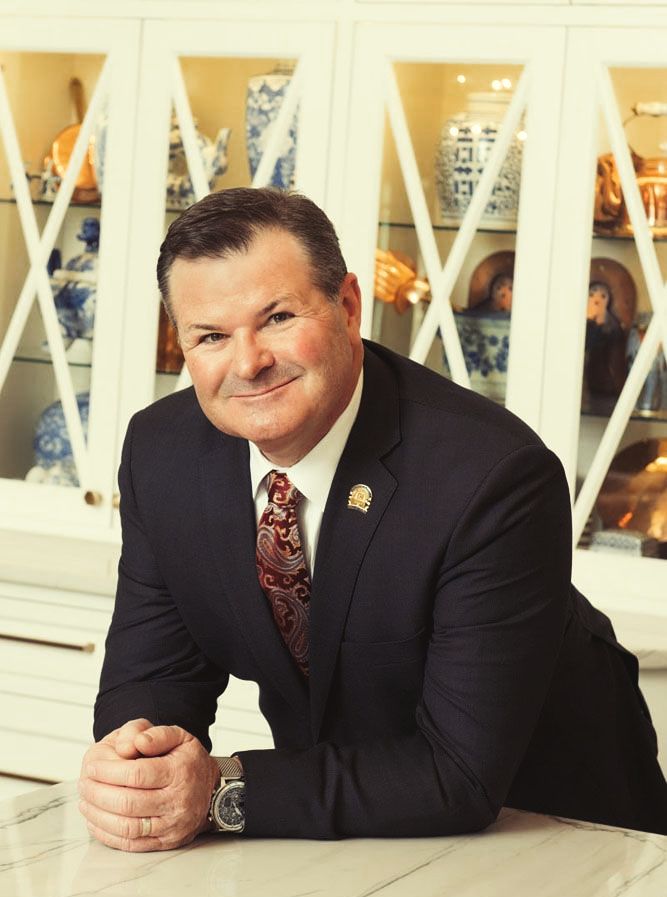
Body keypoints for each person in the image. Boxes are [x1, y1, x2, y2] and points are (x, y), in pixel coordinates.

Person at [79, 188, 667, 852]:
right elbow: (155, 675)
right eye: (210, 336)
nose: (247, 363)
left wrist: (218, 793)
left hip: (554, 829)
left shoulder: (491, 477)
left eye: (275, 318)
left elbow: (460, 774)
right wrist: (139, 767)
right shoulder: (164, 453)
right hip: (339, 821)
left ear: (348, 305)